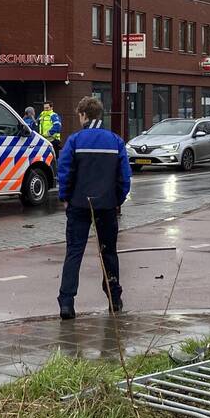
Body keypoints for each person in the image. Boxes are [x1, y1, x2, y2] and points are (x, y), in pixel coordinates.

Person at [55, 97, 131, 320]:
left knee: (74, 252)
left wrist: (65, 197)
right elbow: (124, 176)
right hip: (107, 205)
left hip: (79, 205)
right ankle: (114, 298)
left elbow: (65, 171)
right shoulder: (115, 141)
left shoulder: (75, 141)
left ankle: (67, 303)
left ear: (83, 115)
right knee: (108, 252)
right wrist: (117, 199)